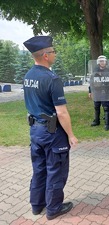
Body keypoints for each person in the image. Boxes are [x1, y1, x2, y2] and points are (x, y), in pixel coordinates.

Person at [23, 36, 78, 220]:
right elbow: (61, 112)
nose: (55, 54)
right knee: (56, 169)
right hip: (52, 132)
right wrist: (70, 134)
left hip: (35, 131)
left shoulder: (28, 76)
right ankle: (54, 208)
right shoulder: (52, 79)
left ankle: (37, 205)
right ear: (45, 55)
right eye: (53, 51)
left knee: (39, 169)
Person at [89, 55, 109, 131]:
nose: (102, 62)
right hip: (97, 91)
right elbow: (91, 81)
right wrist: (90, 91)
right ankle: (97, 121)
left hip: (105, 92)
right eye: (100, 61)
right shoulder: (95, 70)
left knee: (106, 108)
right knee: (96, 107)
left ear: (105, 62)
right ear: (98, 62)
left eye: (103, 61)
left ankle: (107, 124)